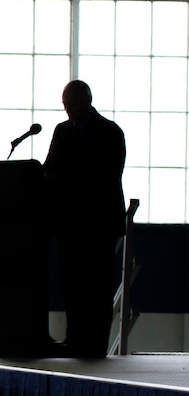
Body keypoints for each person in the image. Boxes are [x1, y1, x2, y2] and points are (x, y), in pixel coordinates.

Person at [43, 80, 127, 357]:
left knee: (97, 286)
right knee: (71, 285)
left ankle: (96, 344)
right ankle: (74, 338)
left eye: (73, 104)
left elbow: (104, 175)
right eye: (64, 105)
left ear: (88, 100)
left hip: (98, 224)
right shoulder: (61, 131)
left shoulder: (110, 132)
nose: (68, 110)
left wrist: (61, 179)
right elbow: (48, 167)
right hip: (68, 224)